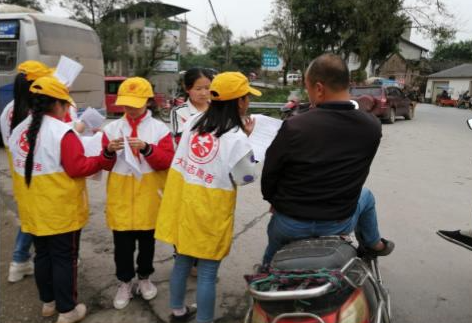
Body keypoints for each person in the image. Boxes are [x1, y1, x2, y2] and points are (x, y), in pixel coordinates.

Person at [261, 54, 394, 266]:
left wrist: (273, 201)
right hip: (339, 222)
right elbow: (360, 171)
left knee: (270, 261)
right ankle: (374, 244)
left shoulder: (296, 125)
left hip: (290, 223)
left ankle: (266, 269)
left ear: (320, 88)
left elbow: (270, 173)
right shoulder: (372, 126)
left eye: (308, 88)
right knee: (366, 195)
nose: (308, 94)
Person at [8, 75, 117, 323]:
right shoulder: (62, 132)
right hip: (60, 210)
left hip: (33, 207)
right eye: (66, 104)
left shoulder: (19, 130)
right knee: (64, 259)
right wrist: (104, 156)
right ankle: (67, 310)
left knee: (42, 256)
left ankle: (48, 303)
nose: (68, 109)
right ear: (58, 104)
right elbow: (78, 167)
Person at [155, 72, 259, 323]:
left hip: (183, 200)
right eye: (246, 97)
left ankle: (177, 311)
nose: (248, 101)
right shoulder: (235, 137)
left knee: (182, 262)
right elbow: (244, 178)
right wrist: (248, 141)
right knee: (207, 272)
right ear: (239, 102)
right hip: (210, 208)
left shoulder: (195, 120)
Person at [101, 77, 174, 310]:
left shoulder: (160, 129)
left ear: (148, 101)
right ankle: (124, 282)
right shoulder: (111, 128)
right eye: (126, 104)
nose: (131, 109)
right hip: (121, 196)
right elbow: (103, 164)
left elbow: (167, 162)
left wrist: (147, 148)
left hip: (149, 197)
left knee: (146, 244)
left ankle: (144, 277)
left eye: (136, 104)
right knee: (122, 246)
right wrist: (109, 152)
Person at [0, 60, 54, 283]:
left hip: (20, 173)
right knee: (39, 219)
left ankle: (19, 262)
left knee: (29, 217)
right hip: (40, 174)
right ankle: (22, 259)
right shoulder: (36, 113)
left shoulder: (8, 110)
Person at [170, 67, 215, 145]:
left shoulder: (218, 108)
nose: (203, 93)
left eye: (207, 88)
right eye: (198, 89)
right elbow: (180, 141)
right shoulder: (179, 112)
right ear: (187, 89)